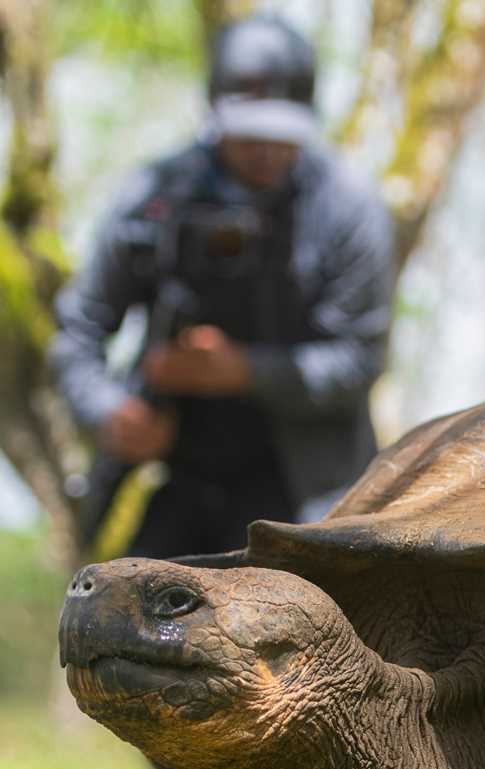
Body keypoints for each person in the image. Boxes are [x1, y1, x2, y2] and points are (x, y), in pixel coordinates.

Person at [50, 9, 394, 560]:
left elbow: (360, 359)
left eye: (280, 135)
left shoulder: (349, 209)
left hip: (306, 497)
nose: (265, 151)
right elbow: (78, 332)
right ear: (213, 112)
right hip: (169, 480)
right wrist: (108, 412)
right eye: (249, 134)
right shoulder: (153, 198)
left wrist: (242, 372)